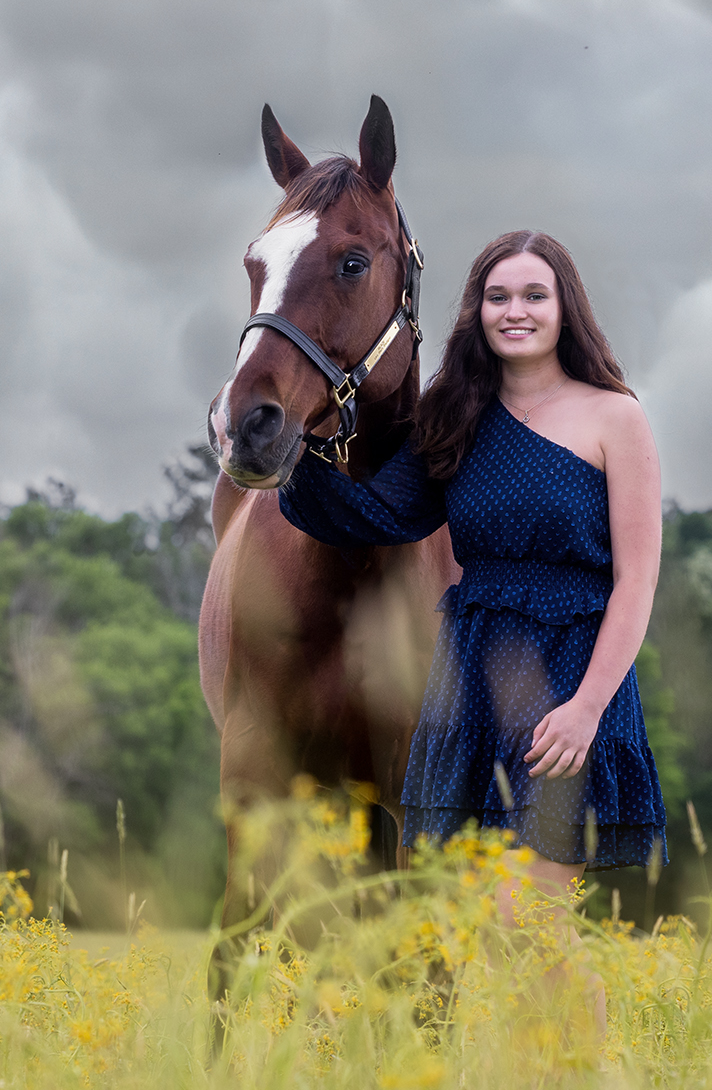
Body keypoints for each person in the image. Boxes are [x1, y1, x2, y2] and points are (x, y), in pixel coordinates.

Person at [276, 228, 665, 1019]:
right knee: (474, 924)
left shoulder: (614, 417)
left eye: (533, 295)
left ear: (566, 309)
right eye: (497, 296)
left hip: (570, 679)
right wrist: (289, 449)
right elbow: (382, 513)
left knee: (533, 918)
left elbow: (636, 581)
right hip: (473, 676)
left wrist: (589, 706)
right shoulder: (450, 416)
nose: (513, 311)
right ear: (474, 310)